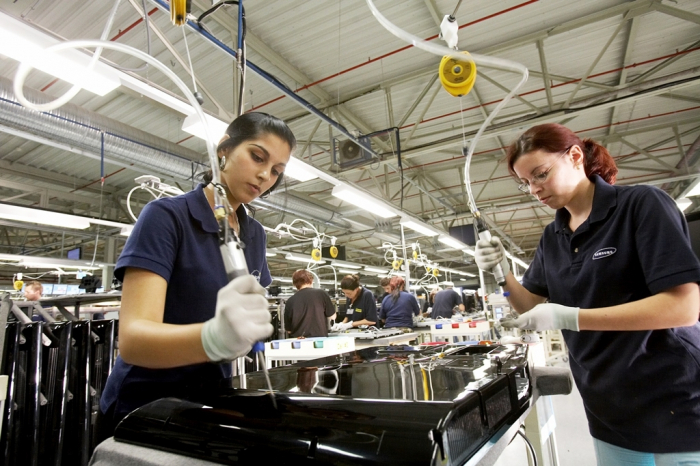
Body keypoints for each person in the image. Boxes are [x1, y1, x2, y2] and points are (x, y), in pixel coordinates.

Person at [475, 123, 700, 465]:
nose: (535, 189)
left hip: (673, 399)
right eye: (526, 183)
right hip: (607, 408)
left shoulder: (639, 206)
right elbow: (528, 306)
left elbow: (684, 307)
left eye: (541, 174)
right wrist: (501, 273)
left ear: (575, 156)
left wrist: (570, 317)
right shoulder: (553, 237)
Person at [98, 112, 296, 437]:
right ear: (224, 149)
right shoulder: (166, 218)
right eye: (257, 157)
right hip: (142, 408)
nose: (264, 176)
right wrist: (213, 338)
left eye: (276, 171)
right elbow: (133, 341)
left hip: (207, 404)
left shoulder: (255, 234)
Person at [284, 269, 336, 338]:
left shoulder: (290, 301)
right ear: (311, 280)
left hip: (299, 342)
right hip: (319, 340)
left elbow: (289, 330)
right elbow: (332, 317)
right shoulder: (321, 294)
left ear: (294, 284)